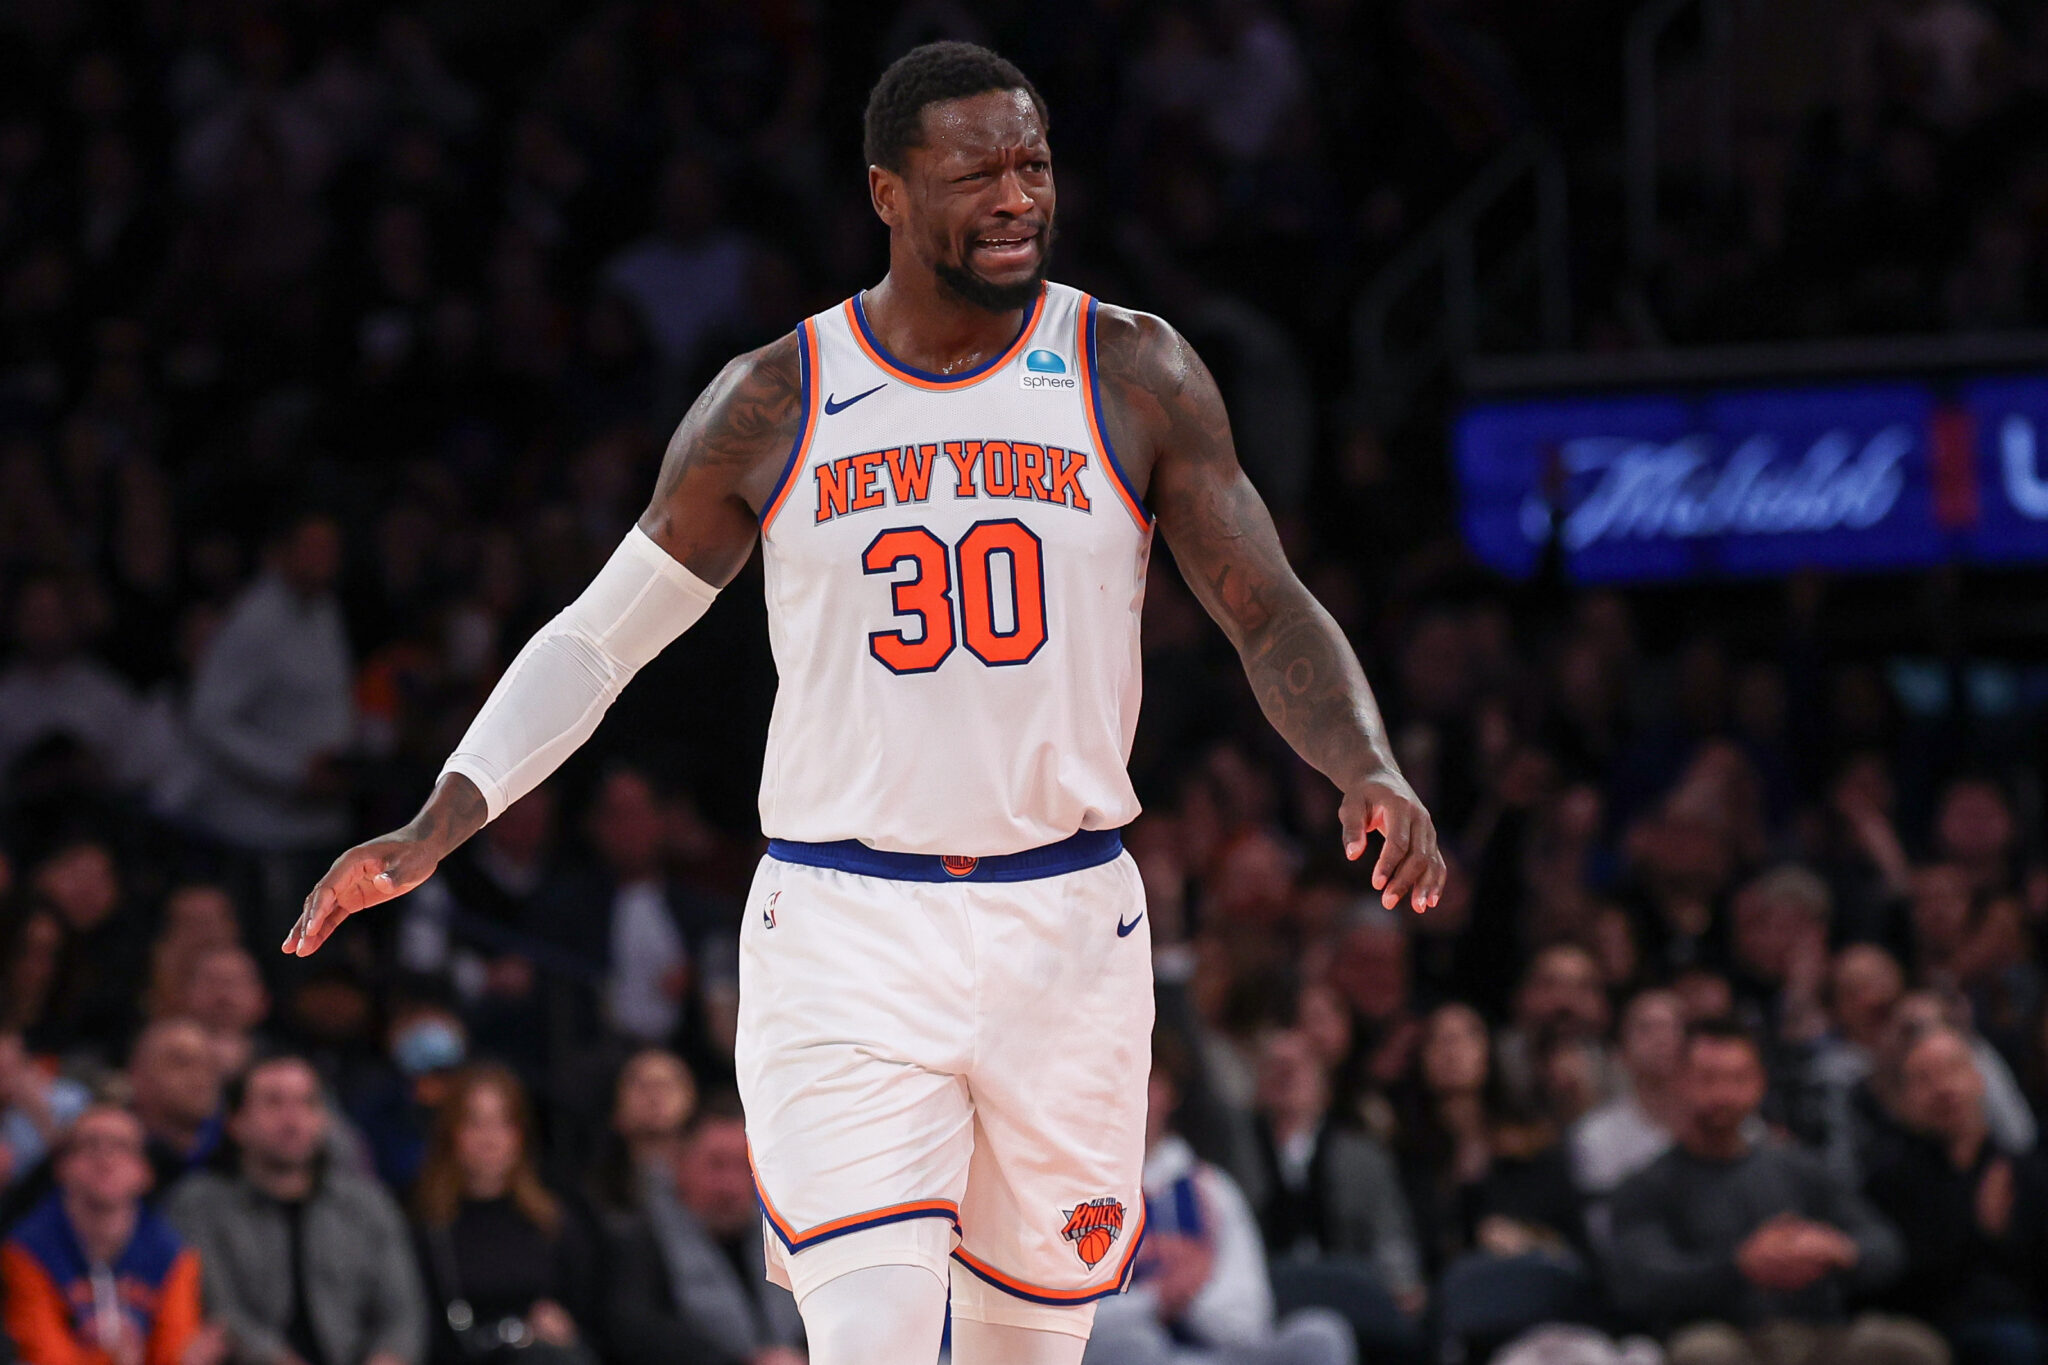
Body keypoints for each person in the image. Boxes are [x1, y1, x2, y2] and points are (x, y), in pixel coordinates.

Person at [284, 38, 1446, 1365]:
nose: (1015, 198)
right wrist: (438, 821)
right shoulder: (777, 397)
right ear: (887, 192)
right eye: (975, 173)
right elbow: (598, 640)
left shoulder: (1132, 370)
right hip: (845, 925)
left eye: (1033, 165)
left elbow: (1267, 607)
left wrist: (1367, 762)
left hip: (1067, 924)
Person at [1604, 1020, 1943, 1365]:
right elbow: (1641, 1284)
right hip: (1726, 1334)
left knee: (1910, 1347)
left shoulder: (1798, 1167)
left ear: (1760, 1083)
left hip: (1819, 1332)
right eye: (1708, 1079)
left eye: (1738, 1079)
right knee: (1704, 1354)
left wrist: (1838, 1250)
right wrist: (1739, 1265)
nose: (1724, 1094)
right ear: (1679, 1083)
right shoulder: (1646, 1186)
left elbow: (1885, 1246)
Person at [1084, 1039, 1353, 1365]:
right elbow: (1064, 1320)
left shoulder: (1211, 1189)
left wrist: (1192, 1297)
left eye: (1148, 1080)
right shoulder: (1080, 1191)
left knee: (1321, 1334)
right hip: (1132, 1352)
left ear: (1171, 1094)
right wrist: (1156, 1300)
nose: (1133, 1093)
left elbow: (1250, 1319)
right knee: (1136, 1345)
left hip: (1215, 1352)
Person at [164, 1054, 426, 1365]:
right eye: (273, 1103)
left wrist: (387, 1359)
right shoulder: (199, 1205)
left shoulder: (368, 1205)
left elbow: (402, 1313)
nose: (292, 1120)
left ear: (324, 1119)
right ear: (236, 1122)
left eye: (307, 1103)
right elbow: (221, 1310)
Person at [1862, 1027, 2048, 1365]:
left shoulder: (2021, 1169)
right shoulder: (1890, 1177)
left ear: (1978, 1078)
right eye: (1924, 1079)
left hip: (2022, 1314)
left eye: (1952, 1070)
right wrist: (1984, 1231)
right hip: (1938, 1324)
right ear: (1904, 1098)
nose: (1944, 1088)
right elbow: (1901, 1278)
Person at [1, 1103, 221, 1365]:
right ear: (61, 1167)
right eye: (90, 1145)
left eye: (121, 1146)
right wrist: (113, 1359)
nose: (105, 1159)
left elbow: (174, 1353)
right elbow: (45, 1356)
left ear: (146, 1171)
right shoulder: (27, 1250)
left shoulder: (174, 1254)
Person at [606, 1093, 805, 1365]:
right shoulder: (640, 1239)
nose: (730, 1186)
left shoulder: (783, 1234)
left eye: (743, 1166)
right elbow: (638, 1332)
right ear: (679, 1164)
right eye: (716, 1164)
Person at [1572, 989, 1689, 1201]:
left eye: (1673, 1027)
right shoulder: (1596, 1135)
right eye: (1646, 1029)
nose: (1661, 1038)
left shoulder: (1725, 1126)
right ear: (1621, 1051)